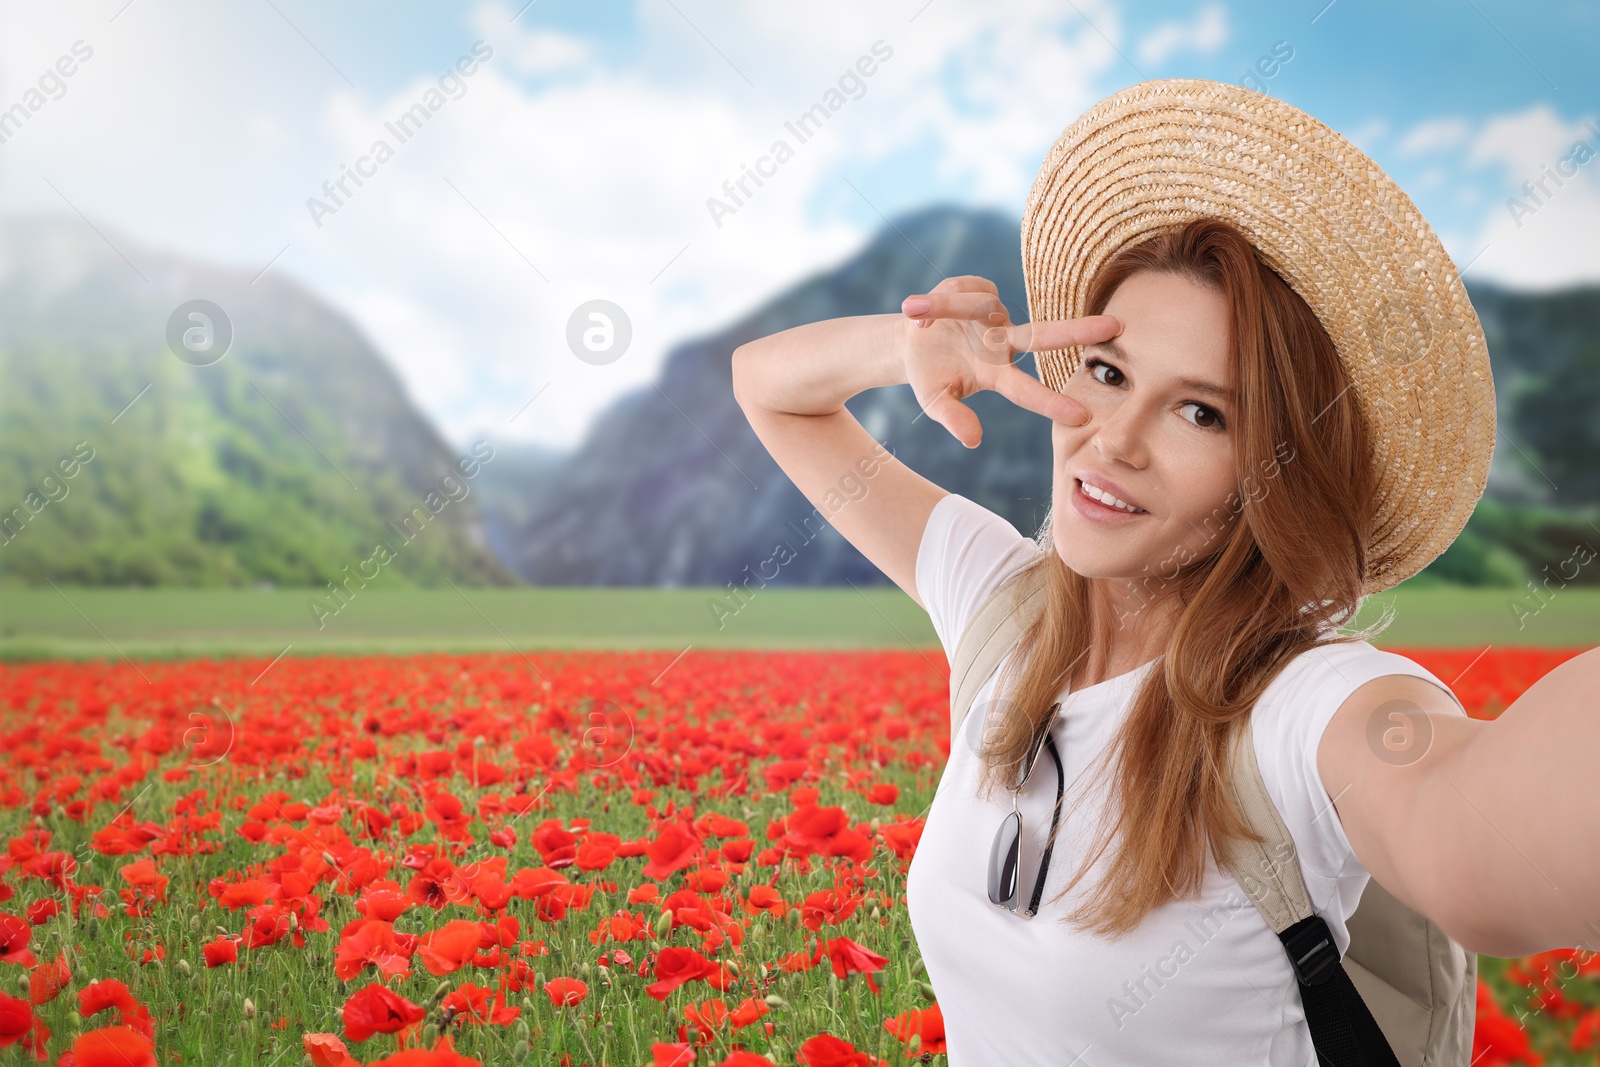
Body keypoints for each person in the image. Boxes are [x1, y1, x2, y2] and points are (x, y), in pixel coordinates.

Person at [730, 79, 1599, 1066]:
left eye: (1201, 413)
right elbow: (769, 389)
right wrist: (915, 342)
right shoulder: (1002, 609)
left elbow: (1461, 830)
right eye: (1107, 373)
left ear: (1272, 474)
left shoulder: (1297, 705)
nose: (1115, 441)